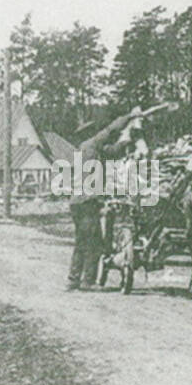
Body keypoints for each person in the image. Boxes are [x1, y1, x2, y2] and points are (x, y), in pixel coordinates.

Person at [66, 107, 146, 291]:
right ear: (92, 134)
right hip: (87, 201)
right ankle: (87, 282)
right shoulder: (92, 144)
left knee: (82, 241)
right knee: (94, 243)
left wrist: (127, 141)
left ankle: (73, 280)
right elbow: (111, 130)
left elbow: (112, 152)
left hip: (78, 202)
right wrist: (130, 116)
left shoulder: (85, 149)